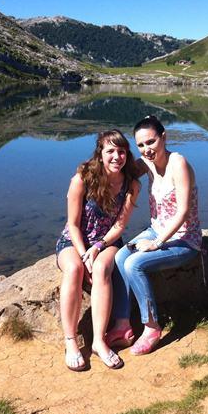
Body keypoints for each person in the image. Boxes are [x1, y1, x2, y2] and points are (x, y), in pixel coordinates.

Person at [108, 116, 202, 355]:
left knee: (135, 264)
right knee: (120, 258)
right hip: (156, 229)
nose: (146, 149)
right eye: (140, 145)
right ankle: (123, 325)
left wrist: (156, 243)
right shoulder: (146, 163)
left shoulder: (178, 163)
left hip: (184, 239)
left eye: (151, 142)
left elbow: (182, 212)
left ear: (164, 137)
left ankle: (151, 327)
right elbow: (121, 173)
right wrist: (89, 178)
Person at [56, 129, 139, 371]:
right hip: (74, 240)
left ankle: (99, 342)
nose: (116, 156)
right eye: (110, 151)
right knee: (74, 269)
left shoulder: (131, 184)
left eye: (121, 151)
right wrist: (84, 254)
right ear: (100, 154)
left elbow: (121, 225)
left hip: (108, 242)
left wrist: (98, 248)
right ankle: (71, 341)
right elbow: (72, 224)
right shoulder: (82, 179)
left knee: (102, 269)